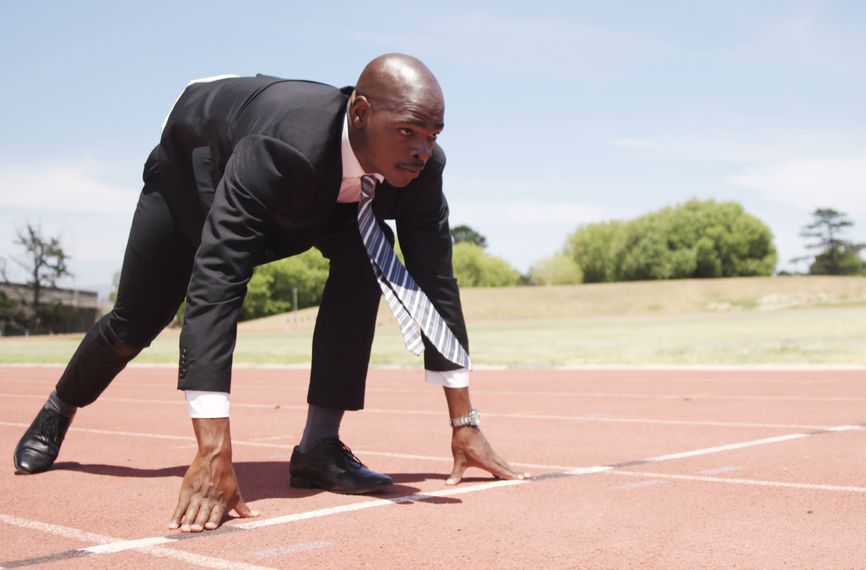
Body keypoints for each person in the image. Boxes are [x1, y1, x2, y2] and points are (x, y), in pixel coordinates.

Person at [12, 54, 528, 532]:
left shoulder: (422, 168)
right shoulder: (283, 145)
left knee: (367, 256)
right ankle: (61, 405)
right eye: (409, 132)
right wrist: (213, 450)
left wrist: (464, 420)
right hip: (195, 174)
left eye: (433, 134)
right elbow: (217, 281)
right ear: (362, 115)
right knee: (136, 322)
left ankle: (319, 447)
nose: (422, 149)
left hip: (319, 197)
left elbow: (434, 279)